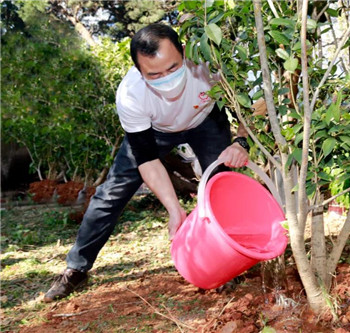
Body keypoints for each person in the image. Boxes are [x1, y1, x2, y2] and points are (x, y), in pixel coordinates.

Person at [43, 23, 250, 302]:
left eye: (173, 68)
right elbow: (148, 160)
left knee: (221, 187)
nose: (166, 79)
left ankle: (229, 260)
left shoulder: (208, 64)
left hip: (205, 121)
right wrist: (174, 209)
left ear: (184, 52)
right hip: (154, 131)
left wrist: (241, 141)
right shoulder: (130, 95)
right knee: (110, 194)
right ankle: (76, 269)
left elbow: (249, 103)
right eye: (154, 74)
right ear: (139, 71)